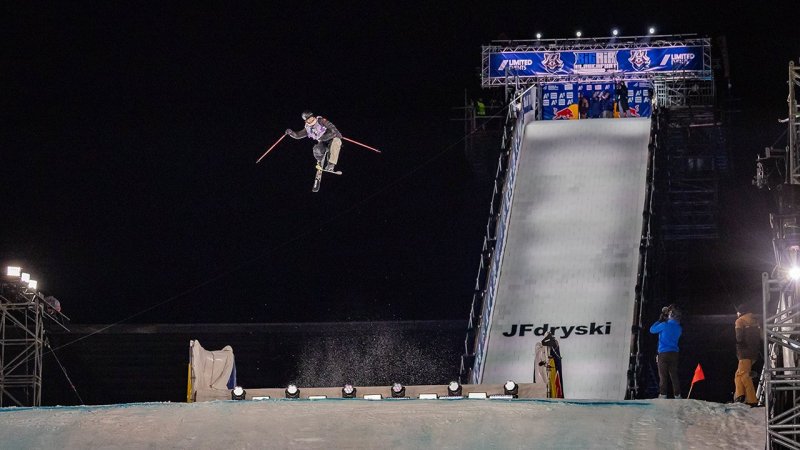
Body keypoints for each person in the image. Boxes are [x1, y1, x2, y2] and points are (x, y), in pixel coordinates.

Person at [650, 304, 683, 398]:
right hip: (674, 354)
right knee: (674, 375)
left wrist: (660, 320)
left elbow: (652, 330)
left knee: (663, 375)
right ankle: (677, 395)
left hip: (663, 353)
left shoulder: (664, 325)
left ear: (671, 314)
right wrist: (667, 317)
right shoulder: (679, 328)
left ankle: (663, 394)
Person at [734, 302, 761, 406]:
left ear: (740, 312)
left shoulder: (740, 321)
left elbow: (739, 337)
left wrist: (739, 344)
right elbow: (761, 336)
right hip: (753, 353)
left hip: (744, 353)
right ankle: (740, 395)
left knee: (744, 375)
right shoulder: (755, 321)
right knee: (738, 374)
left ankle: (752, 400)